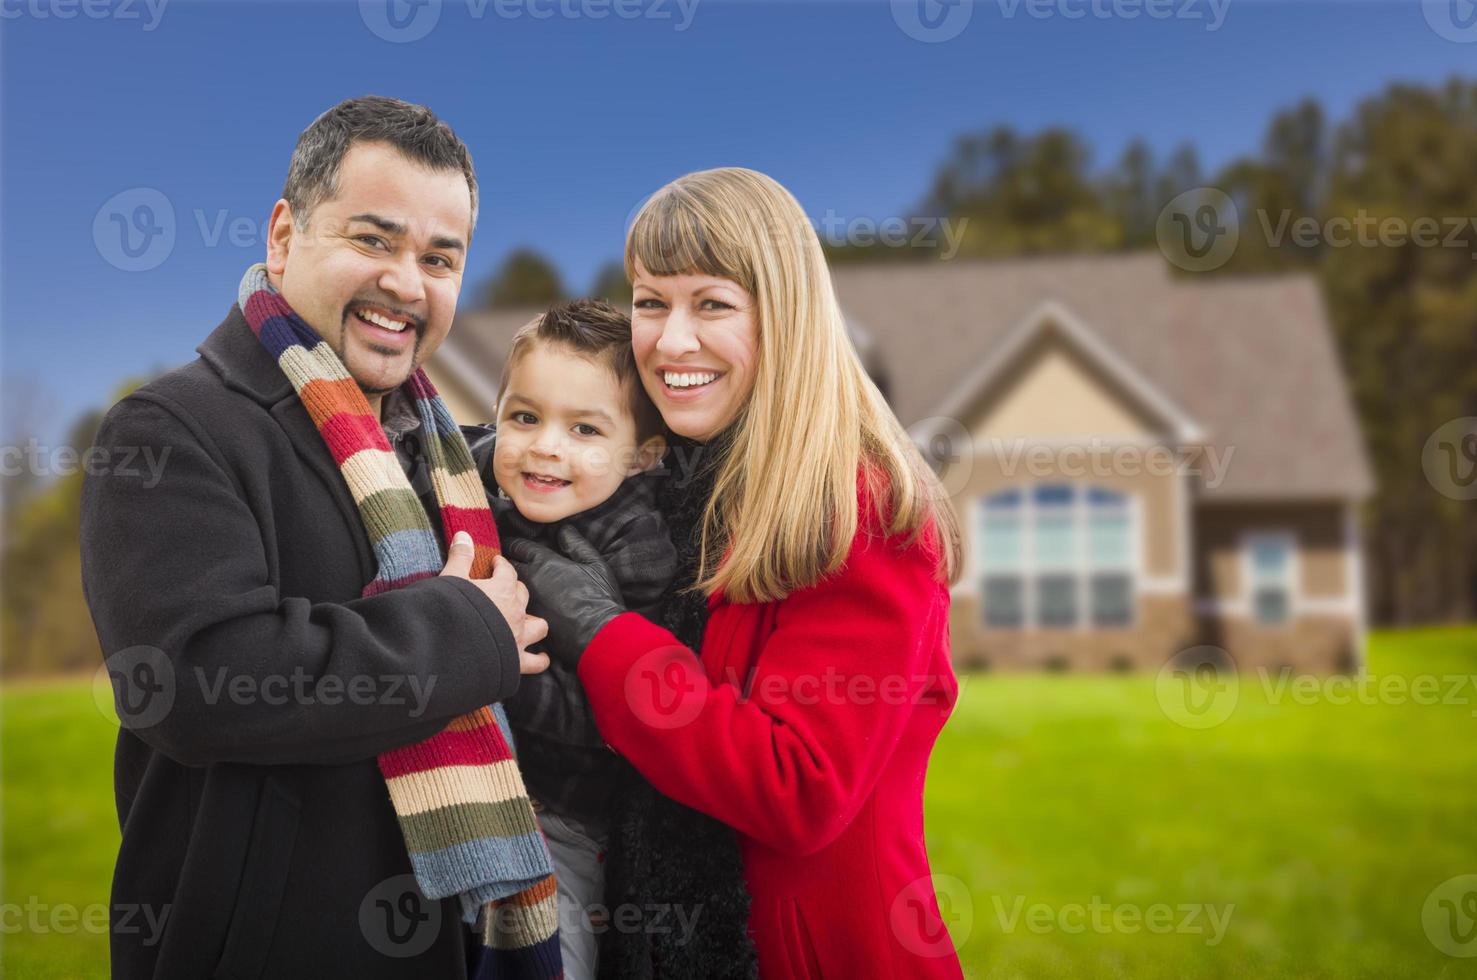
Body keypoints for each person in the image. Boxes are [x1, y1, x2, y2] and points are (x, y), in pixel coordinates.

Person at [79, 96, 557, 979]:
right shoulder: (168, 430)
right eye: (373, 241)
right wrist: (466, 631)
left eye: (439, 258)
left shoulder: (453, 461)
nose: (408, 285)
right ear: (284, 235)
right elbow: (193, 681)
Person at [506, 167, 968, 979]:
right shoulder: (673, 483)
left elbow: (797, 786)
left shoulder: (859, 510)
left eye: (710, 304)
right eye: (650, 302)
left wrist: (598, 630)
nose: (670, 341)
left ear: (783, 316)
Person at [459, 299, 672, 978]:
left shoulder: (638, 546)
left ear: (641, 456)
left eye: (584, 429)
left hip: (565, 815)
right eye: (525, 417)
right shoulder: (474, 491)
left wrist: (492, 667)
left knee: (546, 954)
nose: (546, 446)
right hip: (470, 789)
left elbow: (609, 716)